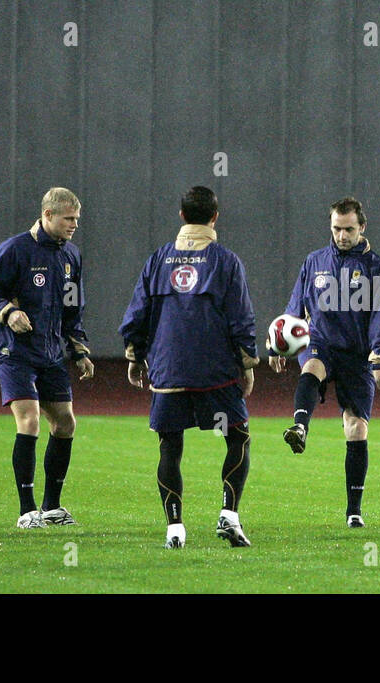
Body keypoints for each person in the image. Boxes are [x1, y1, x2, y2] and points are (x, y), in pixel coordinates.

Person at [120, 186, 258, 549]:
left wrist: (135, 356)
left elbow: (137, 313)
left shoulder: (158, 259)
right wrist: (247, 363)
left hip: (169, 369)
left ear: (181, 215)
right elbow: (241, 318)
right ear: (215, 216)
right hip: (216, 371)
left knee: (170, 446)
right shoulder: (226, 261)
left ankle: (175, 529)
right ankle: (228, 515)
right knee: (237, 437)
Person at [270, 197, 380, 528]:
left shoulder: (376, 268)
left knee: (356, 429)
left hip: (357, 356)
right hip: (322, 343)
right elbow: (295, 307)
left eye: (348, 230)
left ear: (362, 228)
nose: (342, 236)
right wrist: (277, 344)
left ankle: (353, 510)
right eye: (336, 229)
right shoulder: (315, 262)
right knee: (311, 367)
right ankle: (300, 426)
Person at [0, 187, 94, 529]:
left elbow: (72, 308)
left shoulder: (71, 256)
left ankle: (51, 506)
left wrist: (79, 350)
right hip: (15, 351)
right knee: (29, 421)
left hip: (51, 352)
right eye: (69, 218)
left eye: (77, 219)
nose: (74, 225)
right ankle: (27, 511)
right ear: (48, 215)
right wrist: (8, 312)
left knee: (66, 424)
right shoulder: (15, 250)